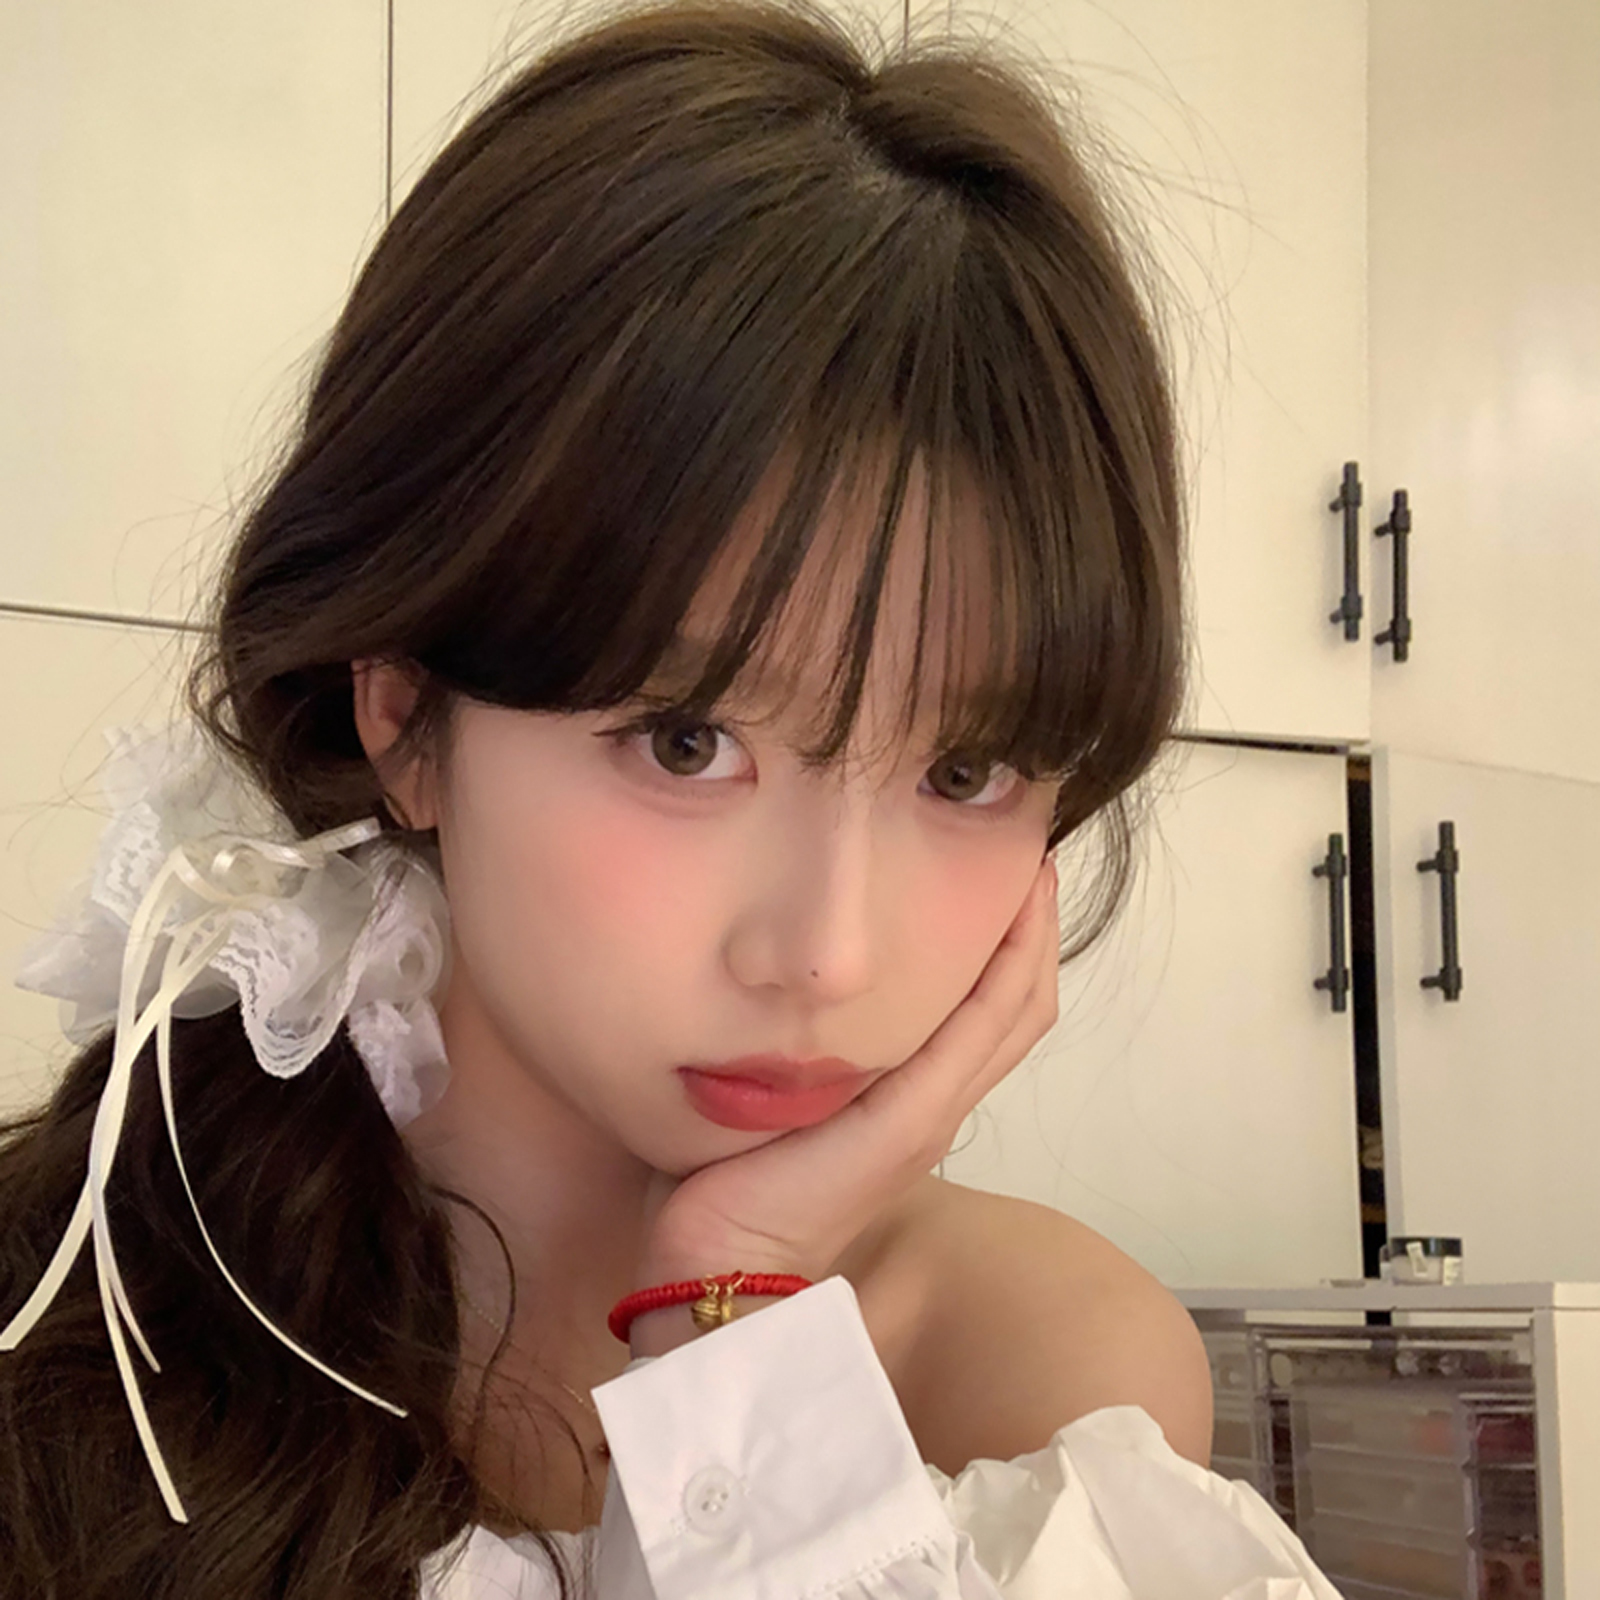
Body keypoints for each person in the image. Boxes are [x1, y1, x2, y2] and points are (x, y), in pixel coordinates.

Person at [0, 0, 1347, 1594]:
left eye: (965, 772)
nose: (828, 953)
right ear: (406, 712)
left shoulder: (1035, 1373)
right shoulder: (73, 1315)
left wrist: (734, 1309)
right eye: (690, 742)